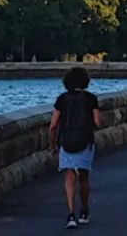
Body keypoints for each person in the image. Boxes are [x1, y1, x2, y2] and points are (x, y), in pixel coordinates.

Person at [50, 67, 101, 228]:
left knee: (69, 177)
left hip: (66, 141)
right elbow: (97, 122)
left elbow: (53, 125)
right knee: (84, 177)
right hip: (85, 140)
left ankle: (71, 215)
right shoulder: (91, 99)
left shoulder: (62, 99)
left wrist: (53, 144)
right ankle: (84, 211)